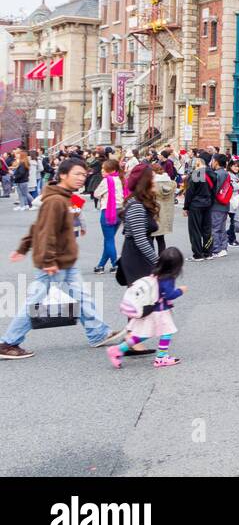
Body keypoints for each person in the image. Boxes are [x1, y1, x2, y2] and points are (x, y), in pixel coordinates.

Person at [0, 158, 129, 360]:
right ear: (62, 175)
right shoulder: (56, 200)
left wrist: (23, 247)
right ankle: (9, 342)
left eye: (84, 174)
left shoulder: (64, 197)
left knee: (83, 297)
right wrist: (49, 260)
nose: (82, 178)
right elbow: (46, 232)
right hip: (55, 262)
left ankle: (97, 333)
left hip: (66, 261)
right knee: (35, 302)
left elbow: (37, 227)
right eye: (77, 174)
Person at [108, 247, 186, 370]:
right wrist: (181, 290)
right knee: (167, 332)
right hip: (160, 312)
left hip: (149, 309)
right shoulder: (168, 279)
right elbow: (170, 295)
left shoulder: (155, 273)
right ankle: (161, 357)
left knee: (142, 335)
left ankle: (117, 349)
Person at [92, 158, 125, 274]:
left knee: (109, 239)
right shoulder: (121, 179)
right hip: (120, 211)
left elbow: (96, 194)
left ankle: (115, 264)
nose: (102, 171)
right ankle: (100, 265)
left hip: (108, 211)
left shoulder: (107, 181)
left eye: (104, 169)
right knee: (109, 239)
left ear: (111, 170)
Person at [182, 153, 214, 260]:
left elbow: (190, 192)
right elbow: (214, 190)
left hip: (196, 204)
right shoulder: (212, 173)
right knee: (207, 229)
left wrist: (186, 207)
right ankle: (208, 252)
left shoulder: (199, 173)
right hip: (208, 203)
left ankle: (198, 254)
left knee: (195, 229)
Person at [208, 153, 233, 258]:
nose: (211, 163)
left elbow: (214, 189)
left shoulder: (217, 174)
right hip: (224, 204)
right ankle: (223, 248)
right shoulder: (225, 173)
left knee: (215, 227)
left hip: (217, 204)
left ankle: (217, 249)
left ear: (216, 162)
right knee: (221, 227)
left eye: (212, 160)